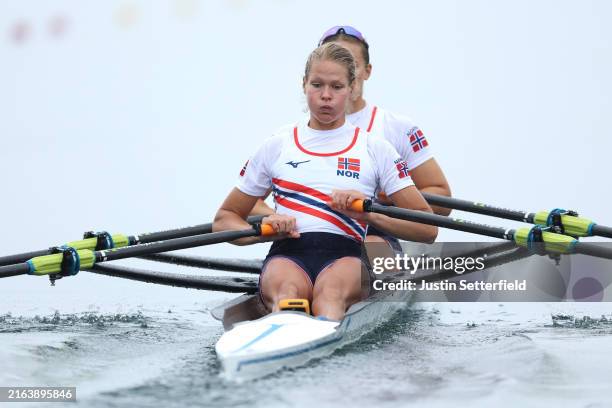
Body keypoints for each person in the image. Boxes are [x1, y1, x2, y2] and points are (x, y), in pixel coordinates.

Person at [213, 43, 437, 321]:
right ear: (303, 85)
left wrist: (368, 214)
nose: (326, 96)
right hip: (287, 253)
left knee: (329, 295)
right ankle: (290, 326)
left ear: (353, 88)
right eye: (317, 85)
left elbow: (427, 229)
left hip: (347, 255)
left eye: (337, 87)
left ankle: (318, 332)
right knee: (287, 292)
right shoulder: (276, 146)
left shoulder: (375, 149)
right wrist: (263, 230)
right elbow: (224, 219)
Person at [252, 26, 451, 254]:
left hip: (374, 234)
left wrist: (388, 199)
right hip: (307, 237)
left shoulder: (395, 128)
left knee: (367, 253)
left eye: (351, 65)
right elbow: (249, 203)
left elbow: (442, 201)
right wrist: (275, 217)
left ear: (365, 72)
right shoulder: (288, 139)